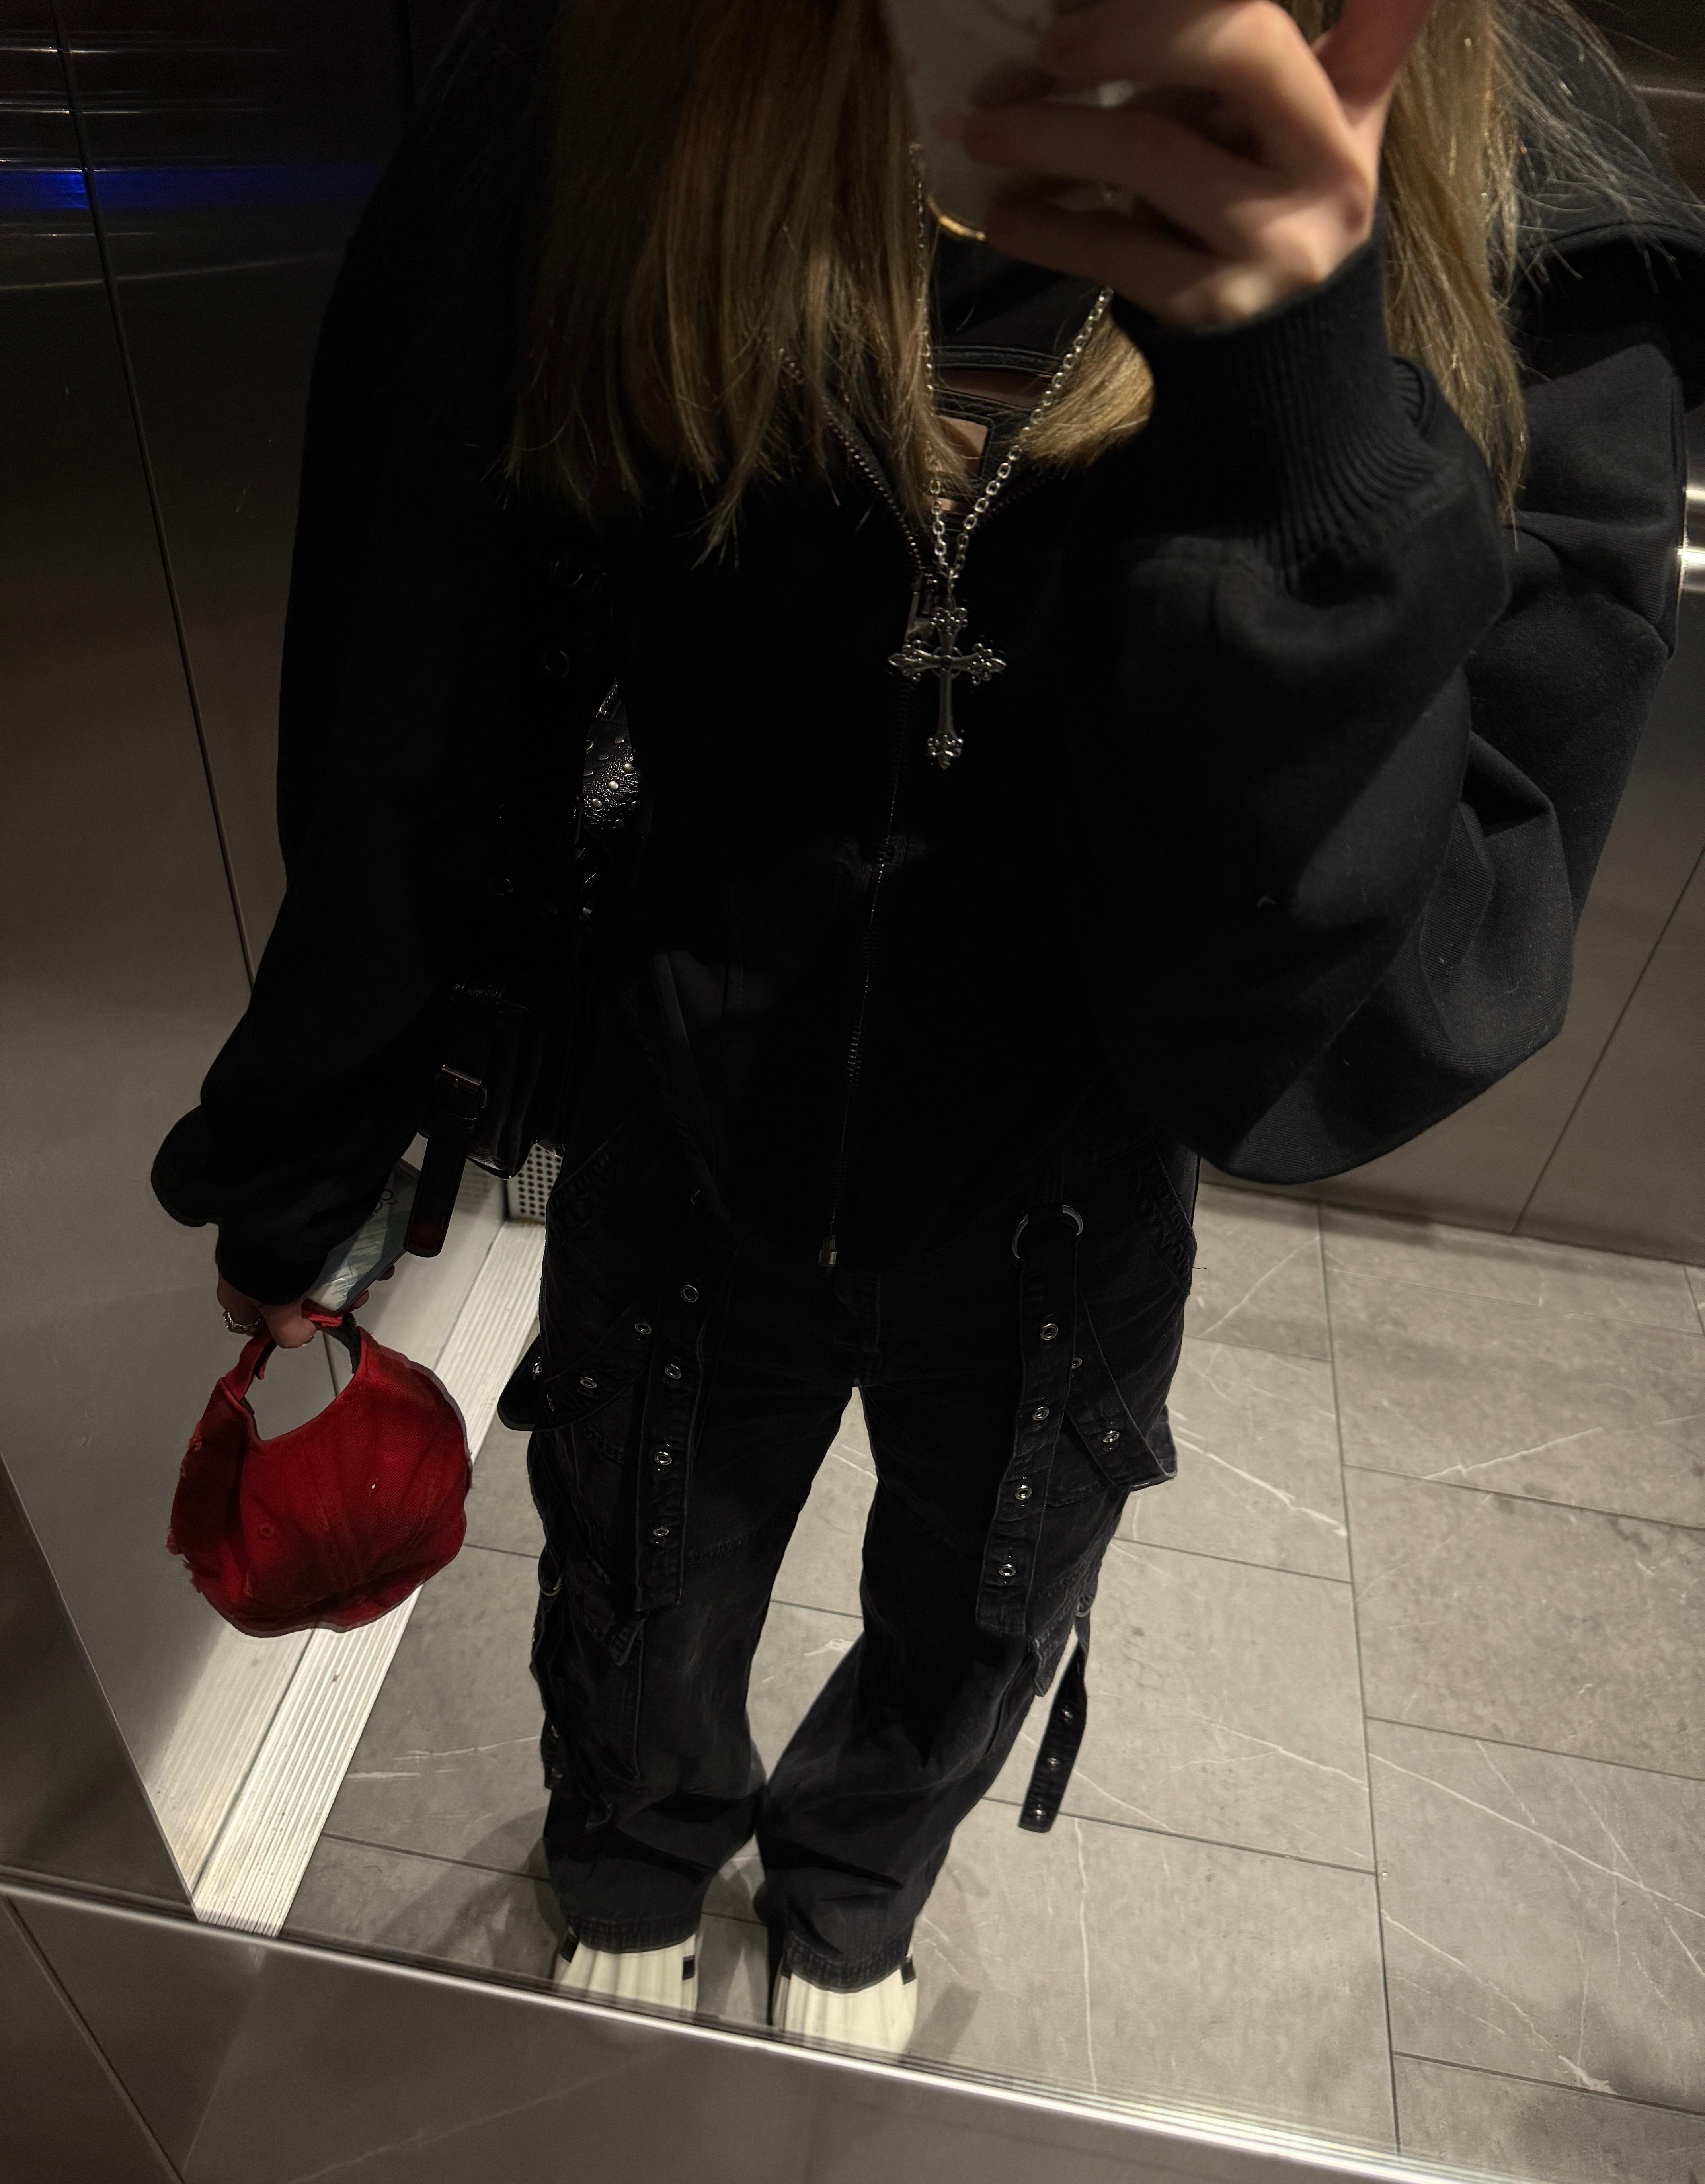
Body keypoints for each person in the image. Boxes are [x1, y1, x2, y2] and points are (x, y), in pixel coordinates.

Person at [154, 0, 1705, 2055]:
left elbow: (1387, 1010)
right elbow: (414, 680)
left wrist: (1303, 424)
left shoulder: (1524, 196)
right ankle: (632, 1855)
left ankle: (852, 1889)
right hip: (687, 1098)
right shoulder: (606, 69)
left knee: (981, 1610)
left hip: (1070, 1164)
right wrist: (315, 1144)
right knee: (639, 1574)